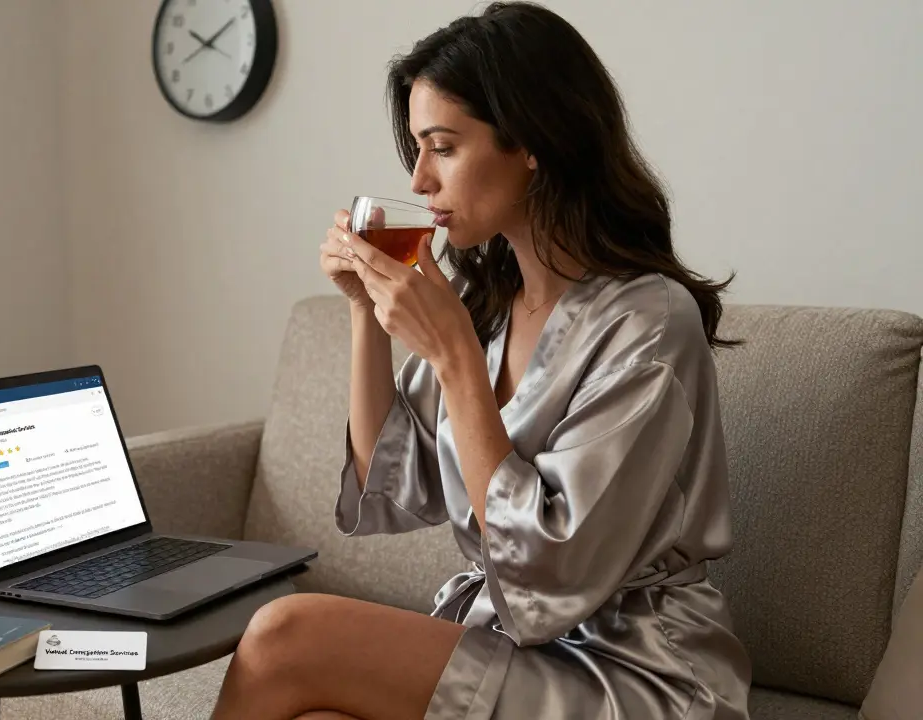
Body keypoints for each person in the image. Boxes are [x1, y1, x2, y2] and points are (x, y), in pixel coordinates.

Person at [210, 3, 751, 719]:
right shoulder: (489, 305)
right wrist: (366, 310)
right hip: (514, 647)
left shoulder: (650, 325)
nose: (420, 180)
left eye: (443, 146)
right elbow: (389, 488)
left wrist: (455, 355)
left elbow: (555, 570)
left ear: (530, 141)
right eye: (415, 149)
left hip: (631, 670)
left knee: (283, 633)